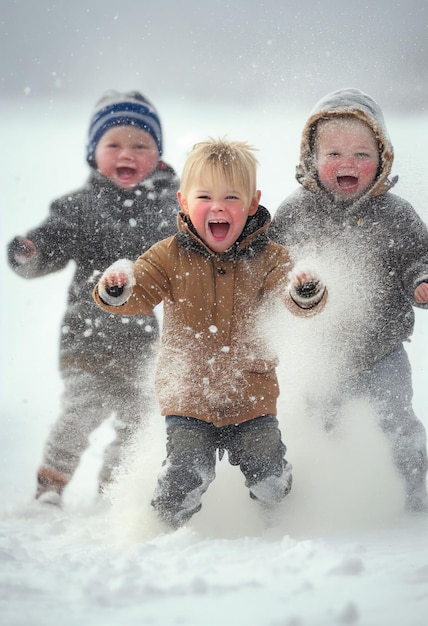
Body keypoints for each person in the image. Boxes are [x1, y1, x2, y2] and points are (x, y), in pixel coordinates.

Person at [93, 138, 327, 529]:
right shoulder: (169, 255)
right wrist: (117, 289)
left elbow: (292, 297)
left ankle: (280, 524)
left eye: (231, 197)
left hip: (250, 395)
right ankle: (163, 532)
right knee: (183, 474)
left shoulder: (271, 257)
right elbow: (141, 291)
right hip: (188, 395)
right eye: (205, 196)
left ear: (252, 204)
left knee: (269, 475)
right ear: (184, 202)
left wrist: (304, 290)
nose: (218, 206)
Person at [7, 90, 179, 505]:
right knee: (79, 413)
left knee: (139, 421)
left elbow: (190, 249)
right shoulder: (80, 207)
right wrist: (31, 251)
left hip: (146, 342)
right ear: (93, 153)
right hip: (88, 337)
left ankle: (113, 491)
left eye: (141, 145)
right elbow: (51, 240)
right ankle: (50, 485)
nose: (127, 154)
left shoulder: (170, 208)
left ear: (158, 154)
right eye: (114, 144)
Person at [269, 87, 428, 513]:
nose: (348, 163)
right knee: (324, 422)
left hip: (383, 351)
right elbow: (269, 265)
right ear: (311, 159)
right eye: (333, 153)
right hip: (321, 353)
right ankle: (330, 493)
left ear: (383, 158)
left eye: (361, 153)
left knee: (395, 421)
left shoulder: (396, 214)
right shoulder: (296, 211)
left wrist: (421, 280)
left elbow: (420, 255)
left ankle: (414, 493)